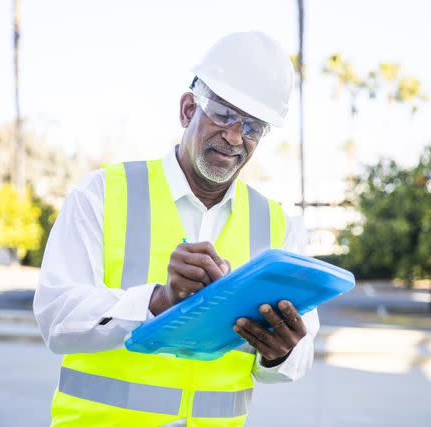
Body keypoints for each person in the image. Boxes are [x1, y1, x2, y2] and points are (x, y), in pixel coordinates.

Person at [34, 31, 320, 427]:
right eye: (223, 114)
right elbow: (55, 318)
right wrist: (156, 303)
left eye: (253, 127)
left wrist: (281, 351)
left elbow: (298, 358)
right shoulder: (101, 194)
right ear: (188, 110)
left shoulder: (278, 226)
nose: (235, 137)